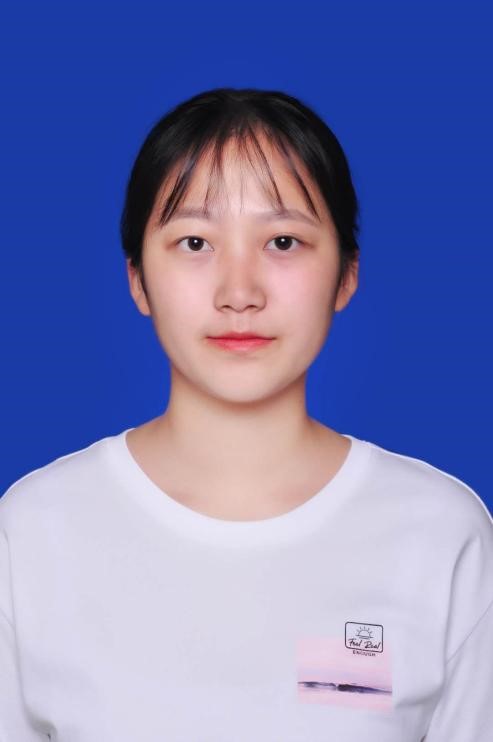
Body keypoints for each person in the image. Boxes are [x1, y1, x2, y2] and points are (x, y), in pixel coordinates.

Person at [0, 87, 492, 741]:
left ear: (346, 274)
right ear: (137, 278)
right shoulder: (34, 532)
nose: (239, 292)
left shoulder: (439, 534)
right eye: (194, 242)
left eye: (283, 241)